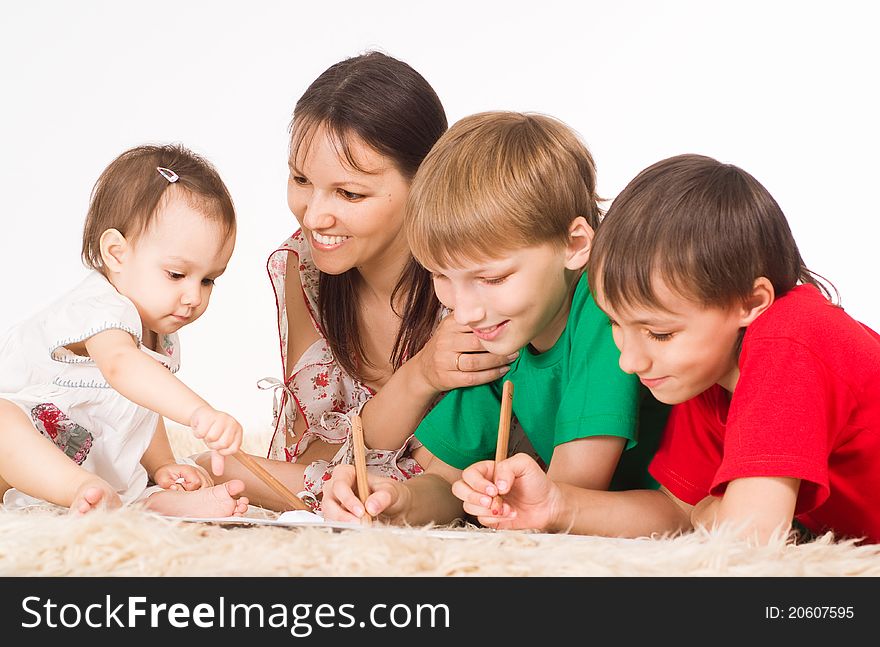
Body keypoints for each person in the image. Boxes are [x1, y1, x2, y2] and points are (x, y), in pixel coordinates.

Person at [454, 153, 880, 545]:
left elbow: (750, 533)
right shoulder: (709, 373)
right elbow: (676, 508)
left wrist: (712, 511)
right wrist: (554, 504)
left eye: (659, 334)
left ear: (751, 303)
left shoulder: (790, 339)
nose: (629, 360)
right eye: (617, 325)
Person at [196, 51, 514, 510]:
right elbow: (315, 451)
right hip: (351, 479)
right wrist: (421, 376)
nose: (315, 215)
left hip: (444, 487)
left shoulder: (471, 279)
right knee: (207, 466)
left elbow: (456, 462)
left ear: (424, 180)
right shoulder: (303, 266)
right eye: (301, 179)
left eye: (349, 193)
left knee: (228, 472)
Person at [322, 111, 668, 526]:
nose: (465, 311)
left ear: (575, 244)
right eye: (441, 276)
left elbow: (569, 492)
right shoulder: (504, 329)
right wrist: (396, 500)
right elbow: (446, 482)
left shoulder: (603, 310)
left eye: (492, 278)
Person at [0, 143, 248, 517]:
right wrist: (199, 412)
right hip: (17, 459)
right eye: (177, 274)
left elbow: (141, 405)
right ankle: (79, 488)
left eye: (209, 280)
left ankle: (154, 503)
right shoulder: (100, 306)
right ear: (117, 253)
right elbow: (122, 367)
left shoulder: (159, 332)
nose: (193, 296)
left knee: (129, 484)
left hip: (82, 459)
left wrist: (161, 464)